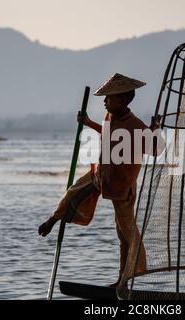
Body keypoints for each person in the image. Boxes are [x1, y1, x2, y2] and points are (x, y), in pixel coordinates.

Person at [38, 73, 164, 287]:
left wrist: (154, 130)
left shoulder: (134, 124)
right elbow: (107, 133)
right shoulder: (110, 117)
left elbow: (156, 149)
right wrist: (88, 122)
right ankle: (53, 219)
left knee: (125, 232)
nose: (105, 102)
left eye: (109, 98)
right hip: (102, 175)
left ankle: (124, 280)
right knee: (73, 191)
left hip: (122, 185)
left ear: (122, 100)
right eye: (105, 98)